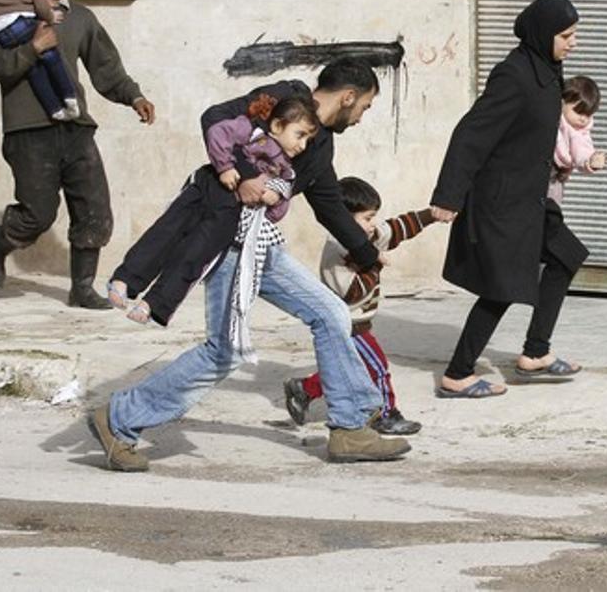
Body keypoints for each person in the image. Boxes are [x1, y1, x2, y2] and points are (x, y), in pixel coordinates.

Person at [89, 59, 411, 471]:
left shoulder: (320, 143)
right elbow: (215, 119)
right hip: (229, 239)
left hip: (263, 244)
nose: (363, 116)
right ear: (348, 97)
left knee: (331, 314)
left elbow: (328, 205)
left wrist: (368, 256)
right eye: (364, 107)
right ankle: (120, 421)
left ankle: (349, 429)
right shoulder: (283, 98)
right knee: (224, 351)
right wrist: (241, 174)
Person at [0, 0, 156, 309]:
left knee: (95, 211)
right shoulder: (7, 15)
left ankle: (81, 289)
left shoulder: (81, 18)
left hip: (76, 128)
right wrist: (33, 49)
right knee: (38, 214)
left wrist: (135, 97)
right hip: (28, 130)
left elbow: (106, 70)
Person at [430, 0, 589, 398]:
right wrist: (449, 195)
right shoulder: (514, 75)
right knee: (501, 286)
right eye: (566, 35)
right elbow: (471, 134)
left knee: (566, 256)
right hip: (502, 201)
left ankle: (535, 353)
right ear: (542, 33)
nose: (573, 42)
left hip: (533, 199)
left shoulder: (548, 68)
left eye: (574, 34)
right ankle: (457, 373)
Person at [108, 94, 319, 326]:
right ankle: (125, 280)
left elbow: (278, 211)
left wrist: (273, 198)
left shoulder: (286, 171)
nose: (302, 145)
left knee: (195, 254)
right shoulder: (250, 130)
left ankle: (153, 304)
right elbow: (218, 133)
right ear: (278, 125)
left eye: (308, 140)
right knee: (166, 232)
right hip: (207, 186)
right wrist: (225, 166)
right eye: (300, 135)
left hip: (231, 212)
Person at [283, 176, 435, 435]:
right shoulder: (338, 250)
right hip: (349, 324)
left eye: (373, 216)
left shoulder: (366, 235)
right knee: (377, 367)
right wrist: (374, 264)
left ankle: (305, 389)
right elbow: (351, 293)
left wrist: (431, 215)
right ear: (343, 219)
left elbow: (397, 229)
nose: (372, 224)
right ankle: (386, 415)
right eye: (367, 218)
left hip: (360, 322)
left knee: (352, 369)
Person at [548, 74, 607, 204]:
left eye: (588, 114)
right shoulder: (550, 113)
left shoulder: (578, 132)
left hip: (555, 176)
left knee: (550, 211)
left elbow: (582, 149)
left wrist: (590, 160)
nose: (583, 119)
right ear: (563, 102)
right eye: (578, 112)